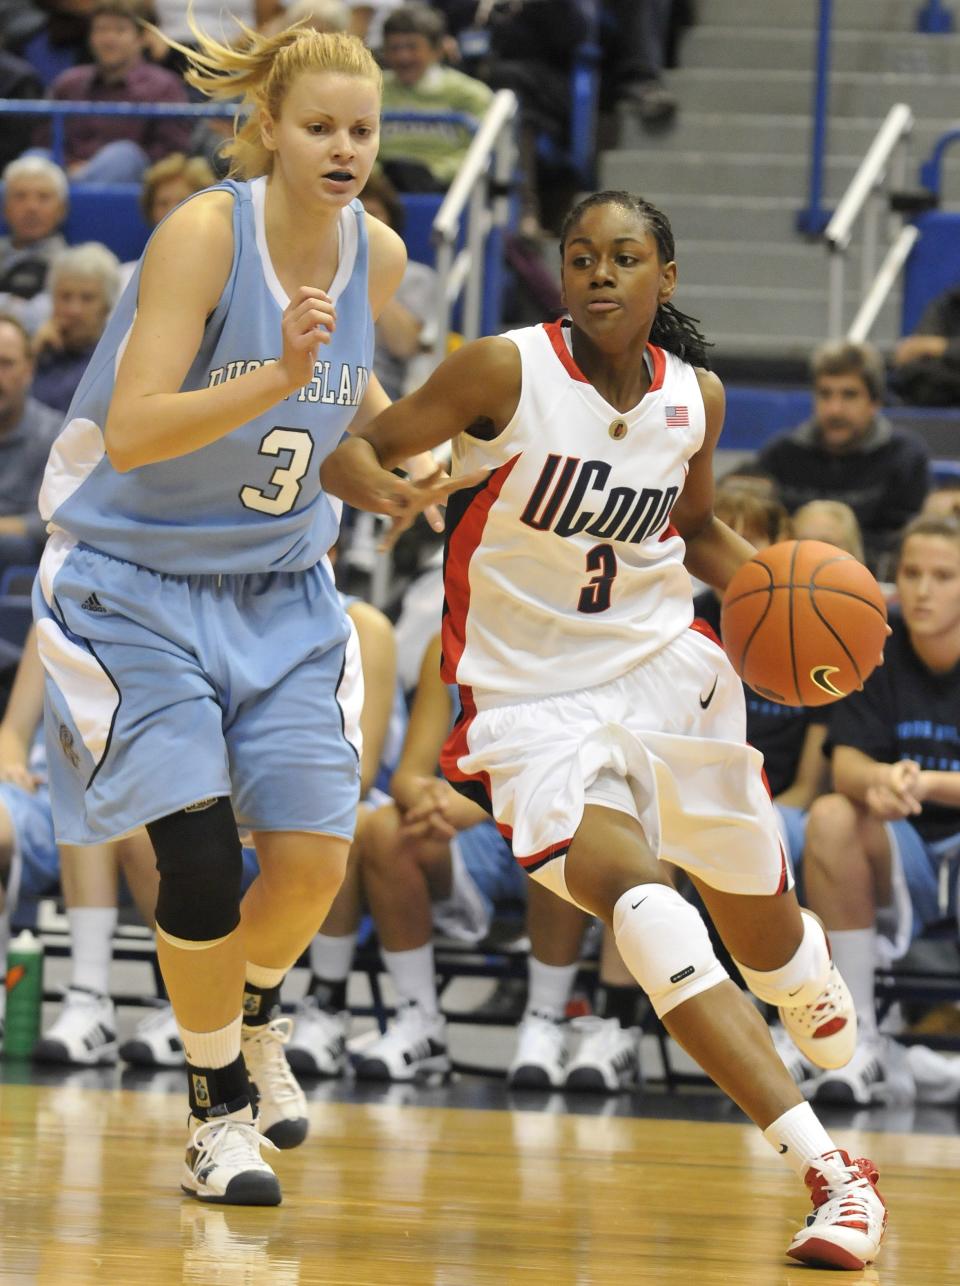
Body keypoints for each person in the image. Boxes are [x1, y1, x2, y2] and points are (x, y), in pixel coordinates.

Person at [319, 189, 889, 1268]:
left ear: (664, 278)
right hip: (531, 703)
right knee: (643, 905)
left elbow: (694, 528)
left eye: (625, 257)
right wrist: (389, 482)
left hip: (665, 673)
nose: (598, 273)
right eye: (580, 255)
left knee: (761, 935)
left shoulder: (697, 399)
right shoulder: (503, 369)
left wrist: (802, 610)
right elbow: (371, 445)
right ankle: (832, 1169)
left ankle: (797, 961)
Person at [31, 14, 463, 1207]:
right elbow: (135, 426)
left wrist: (386, 463)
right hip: (131, 580)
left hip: (280, 582)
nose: (342, 148)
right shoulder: (203, 234)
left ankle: (255, 1012)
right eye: (318, 126)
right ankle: (216, 1108)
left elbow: (334, 405)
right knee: (205, 860)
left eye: (362, 130)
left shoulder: (372, 254)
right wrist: (276, 373)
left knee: (317, 861)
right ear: (267, 128)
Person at [802, 514, 960, 1107]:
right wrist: (879, 781)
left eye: (943, 576)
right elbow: (846, 764)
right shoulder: (876, 644)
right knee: (833, 815)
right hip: (908, 849)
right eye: (911, 574)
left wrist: (925, 781)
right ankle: (857, 1036)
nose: (922, 589)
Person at [756, 339, 929, 576]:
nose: (834, 409)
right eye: (825, 395)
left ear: (875, 402)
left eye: (849, 395)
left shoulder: (906, 456)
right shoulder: (780, 454)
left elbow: (907, 545)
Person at [46, 0, 191, 183]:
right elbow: (45, 139)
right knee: (34, 159)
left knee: (123, 155)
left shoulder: (164, 86)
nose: (108, 39)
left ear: (141, 38)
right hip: (66, 172)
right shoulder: (68, 83)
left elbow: (172, 150)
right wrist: (69, 163)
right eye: (101, 30)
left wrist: (96, 167)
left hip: (136, 182)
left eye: (119, 30)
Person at [379, 3, 492, 192]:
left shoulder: (471, 95)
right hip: (381, 191)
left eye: (412, 47)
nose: (403, 57)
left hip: (448, 190)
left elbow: (483, 152)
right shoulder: (372, 88)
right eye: (394, 47)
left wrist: (433, 172)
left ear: (437, 50)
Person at [360, 168, 438, 399]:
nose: (364, 225)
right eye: (354, 215)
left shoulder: (416, 276)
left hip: (382, 395)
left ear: (390, 221)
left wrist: (367, 274)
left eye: (372, 215)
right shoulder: (317, 268)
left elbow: (405, 345)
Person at [0, 314, 62, 576]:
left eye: (6, 364)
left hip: (26, 569)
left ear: (28, 370)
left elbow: (50, 522)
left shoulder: (53, 433)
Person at [31, 242, 121, 413]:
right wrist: (31, 356)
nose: (74, 310)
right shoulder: (34, 350)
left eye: (87, 298)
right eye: (65, 297)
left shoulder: (117, 358)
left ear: (107, 306)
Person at [0, 155, 69, 334]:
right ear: (5, 208)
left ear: (62, 209)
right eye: (20, 196)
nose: (31, 207)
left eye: (43, 197)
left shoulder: (75, 267)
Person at [890, 283, 960, 407]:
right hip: (929, 401)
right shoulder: (947, 304)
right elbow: (911, 354)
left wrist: (937, 346)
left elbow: (921, 346)